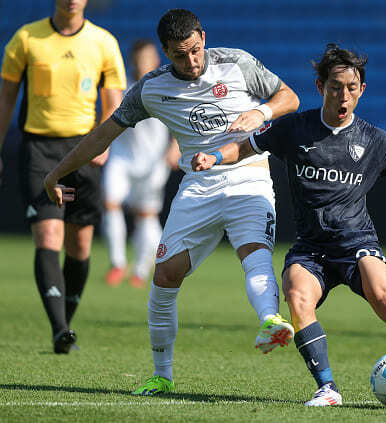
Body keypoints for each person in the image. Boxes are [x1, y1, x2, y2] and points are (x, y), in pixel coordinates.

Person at [192, 44, 386, 406]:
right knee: (296, 295)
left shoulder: (375, 141)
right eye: (336, 87)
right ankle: (327, 389)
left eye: (352, 88)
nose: (344, 95)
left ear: (362, 90)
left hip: (356, 242)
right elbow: (247, 145)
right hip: (311, 248)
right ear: (320, 86)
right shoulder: (295, 129)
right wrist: (214, 156)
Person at [44, 9, 300, 394]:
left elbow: (289, 97)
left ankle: (270, 320)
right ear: (165, 52)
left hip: (249, 177)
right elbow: (102, 136)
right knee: (164, 277)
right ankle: (162, 375)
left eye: (196, 50)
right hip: (198, 188)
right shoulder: (151, 89)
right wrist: (56, 173)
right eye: (180, 56)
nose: (192, 62)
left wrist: (259, 111)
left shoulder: (237, 63)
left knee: (254, 251)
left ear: (202, 36)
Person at [0, 0, 126, 354]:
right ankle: (59, 329)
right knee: (48, 234)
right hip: (39, 149)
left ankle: (65, 324)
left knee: (80, 245)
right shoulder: (26, 38)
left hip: (84, 149)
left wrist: (106, 142)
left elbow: (113, 100)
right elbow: (7, 96)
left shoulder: (103, 42)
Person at [102, 39, 180, 289]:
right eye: (139, 58)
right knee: (110, 202)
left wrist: (174, 148)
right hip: (122, 157)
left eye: (147, 57)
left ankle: (143, 267)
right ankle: (117, 262)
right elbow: (109, 113)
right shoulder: (122, 86)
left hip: (153, 161)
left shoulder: (166, 88)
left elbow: (178, 122)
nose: (143, 62)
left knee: (146, 216)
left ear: (156, 59)